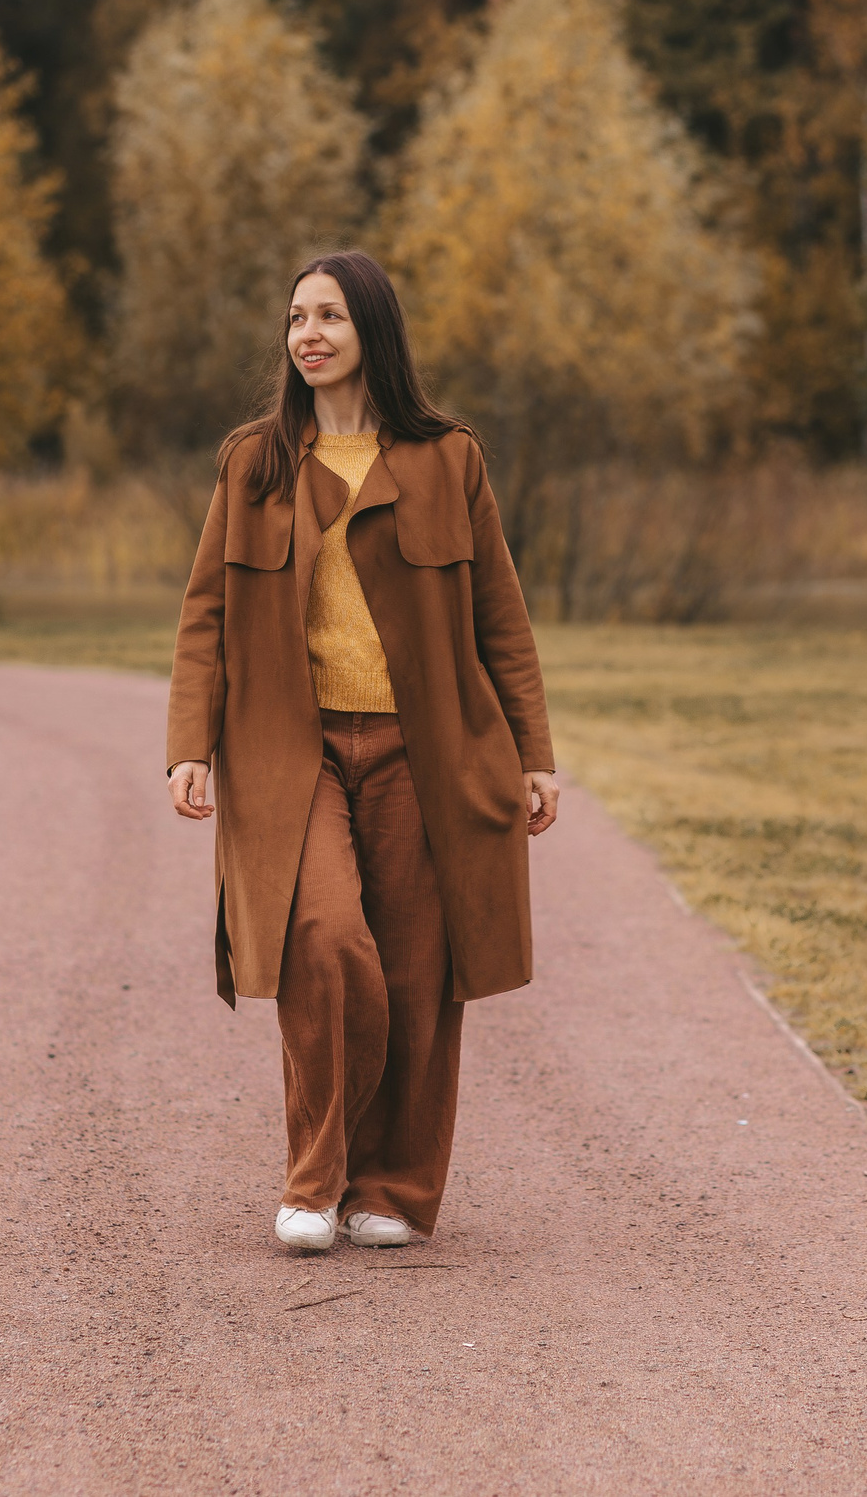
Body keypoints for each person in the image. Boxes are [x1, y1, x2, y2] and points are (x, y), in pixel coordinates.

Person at [165, 249, 557, 1253]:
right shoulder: (252, 461)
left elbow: (499, 622)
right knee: (327, 943)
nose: (308, 335)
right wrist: (188, 744)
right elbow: (204, 614)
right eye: (297, 317)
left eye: (330, 316)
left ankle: (393, 1190)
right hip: (288, 757)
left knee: (422, 969)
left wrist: (533, 753)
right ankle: (314, 1180)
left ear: (370, 331)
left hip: (424, 754)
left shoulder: (446, 459)